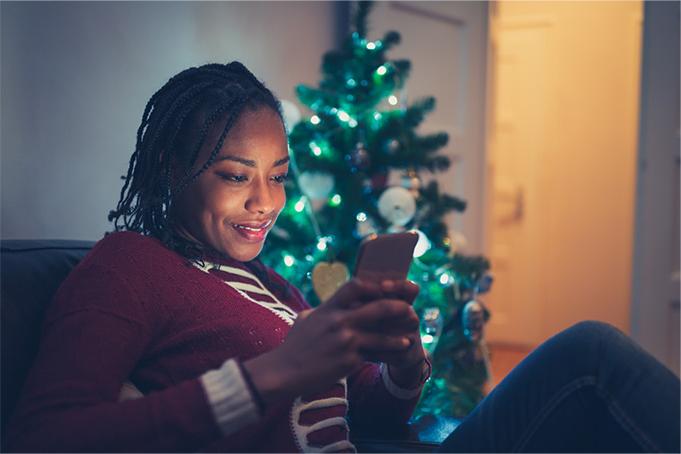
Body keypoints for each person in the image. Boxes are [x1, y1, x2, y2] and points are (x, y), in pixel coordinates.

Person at [6, 62, 679, 453]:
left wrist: (401, 356)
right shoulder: (127, 266)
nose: (266, 202)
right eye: (236, 176)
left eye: (279, 173)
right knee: (590, 360)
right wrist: (272, 375)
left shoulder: (263, 280)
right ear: (169, 169)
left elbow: (372, 411)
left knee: (589, 379)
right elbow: (41, 436)